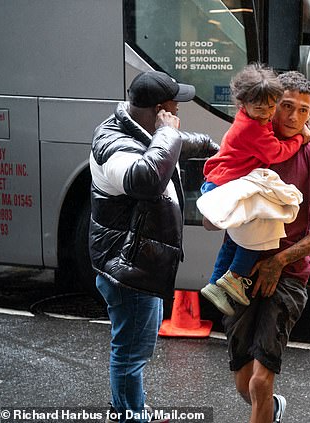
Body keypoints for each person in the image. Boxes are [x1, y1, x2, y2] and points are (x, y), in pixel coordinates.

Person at [205, 71, 310, 423]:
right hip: (241, 273)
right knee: (243, 382)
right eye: (287, 107)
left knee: (261, 381)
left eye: (304, 111)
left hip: (289, 274)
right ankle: (273, 411)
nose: (295, 117)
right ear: (270, 106)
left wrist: (280, 260)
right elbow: (212, 214)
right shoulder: (249, 146)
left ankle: (266, 405)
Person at [89, 70, 219, 423]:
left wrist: (215, 147)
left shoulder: (139, 129)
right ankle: (131, 416)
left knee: (134, 349)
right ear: (161, 111)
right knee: (131, 353)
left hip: (136, 262)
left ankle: (132, 411)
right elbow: (146, 178)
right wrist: (167, 132)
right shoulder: (113, 146)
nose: (178, 116)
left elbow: (179, 142)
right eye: (175, 109)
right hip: (127, 270)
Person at [199, 63, 310, 317]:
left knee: (239, 237)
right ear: (242, 103)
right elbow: (276, 152)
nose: (267, 113)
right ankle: (234, 277)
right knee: (259, 234)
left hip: (222, 180)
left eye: (272, 107)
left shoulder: (252, 119)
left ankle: (217, 283)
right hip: (224, 185)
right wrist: (299, 138)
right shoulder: (251, 128)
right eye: (260, 108)